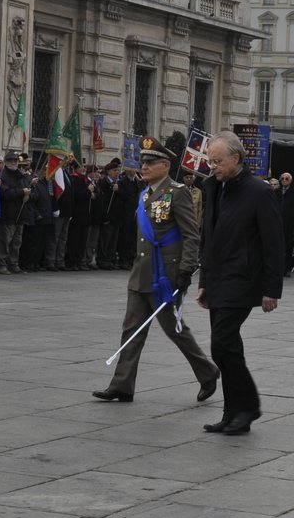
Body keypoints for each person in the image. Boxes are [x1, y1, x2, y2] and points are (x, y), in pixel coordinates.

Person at [93, 136, 221, 404]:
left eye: (151, 162)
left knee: (175, 330)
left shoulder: (178, 192)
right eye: (143, 162)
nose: (144, 166)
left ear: (165, 166)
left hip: (165, 276)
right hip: (141, 273)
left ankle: (207, 372)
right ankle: (122, 385)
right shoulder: (144, 194)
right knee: (131, 330)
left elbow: (191, 234)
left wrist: (186, 270)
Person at [197, 131, 284, 435]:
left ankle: (248, 407)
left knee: (221, 344)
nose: (212, 166)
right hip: (218, 278)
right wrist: (204, 279)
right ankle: (233, 412)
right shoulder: (213, 188)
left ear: (236, 158)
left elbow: (274, 243)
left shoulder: (259, 192)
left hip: (243, 279)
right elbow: (208, 237)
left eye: (218, 161)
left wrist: (272, 289)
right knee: (227, 348)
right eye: (210, 161)